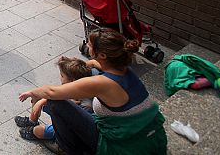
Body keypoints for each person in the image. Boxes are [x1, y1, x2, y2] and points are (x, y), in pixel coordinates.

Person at [18, 29, 167, 155]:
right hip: (149, 137)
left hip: (123, 147)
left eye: (89, 45)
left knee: (54, 102)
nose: (87, 47)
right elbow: (93, 64)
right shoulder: (122, 68)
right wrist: (78, 67)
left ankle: (65, 147)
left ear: (102, 55)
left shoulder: (103, 83)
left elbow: (51, 92)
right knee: (93, 71)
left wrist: (33, 92)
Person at [16, 56, 93, 145]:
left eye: (62, 76)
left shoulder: (86, 106)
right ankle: (31, 121)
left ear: (72, 81)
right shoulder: (73, 89)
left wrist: (43, 102)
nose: (60, 78)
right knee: (38, 95)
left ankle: (35, 132)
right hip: (63, 118)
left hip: (69, 129)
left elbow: (73, 125)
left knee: (38, 131)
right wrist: (36, 97)